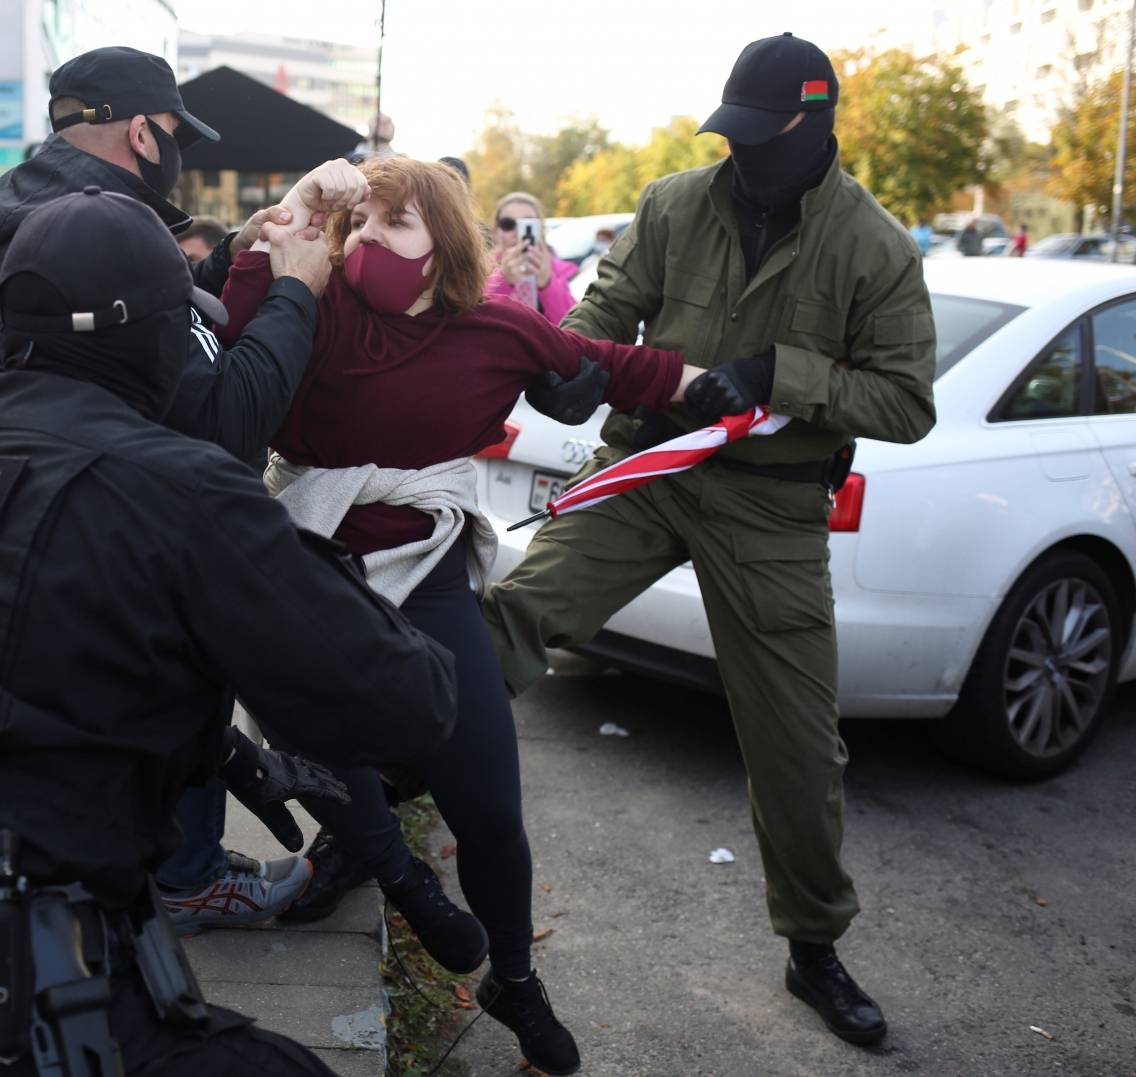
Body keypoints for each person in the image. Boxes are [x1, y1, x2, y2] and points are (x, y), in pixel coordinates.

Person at [0, 185, 459, 1077]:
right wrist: (313, 565)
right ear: (156, 337)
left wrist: (220, 750)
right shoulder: (174, 485)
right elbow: (408, 704)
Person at [0, 46, 352, 930]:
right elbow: (224, 419)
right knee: (173, 649)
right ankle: (177, 881)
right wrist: (297, 287)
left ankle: (130, 878)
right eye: (178, 135)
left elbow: (143, 316)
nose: (178, 150)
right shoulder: (102, 217)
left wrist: (229, 255)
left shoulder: (46, 204)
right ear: (145, 132)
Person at [481, 33, 937, 1047]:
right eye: (726, 133)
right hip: (650, 467)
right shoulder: (674, 202)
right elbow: (606, 315)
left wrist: (783, 374)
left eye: (757, 136)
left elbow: (906, 404)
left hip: (771, 505)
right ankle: (382, 796)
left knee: (794, 745)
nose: (738, 155)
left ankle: (812, 946)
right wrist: (569, 365)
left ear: (812, 123)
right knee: (507, 620)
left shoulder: (874, 245)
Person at [217, 154, 700, 1077]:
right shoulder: (310, 303)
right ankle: (402, 882)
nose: (366, 242)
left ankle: (514, 978)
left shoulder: (497, 330)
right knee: (321, 749)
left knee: (488, 799)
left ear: (440, 244)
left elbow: (617, 365)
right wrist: (287, 218)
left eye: (390, 226)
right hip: (307, 561)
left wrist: (732, 390)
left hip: (428, 571)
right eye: (359, 225)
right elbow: (234, 338)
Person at [485, 191, 578, 326]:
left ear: (542, 229)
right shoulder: (479, 272)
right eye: (508, 224)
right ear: (495, 232)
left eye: (528, 225)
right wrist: (502, 281)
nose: (518, 233)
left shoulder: (567, 272)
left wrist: (548, 284)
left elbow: (576, 331)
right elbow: (474, 324)